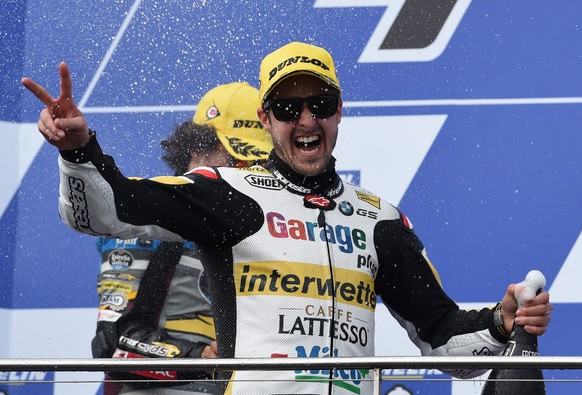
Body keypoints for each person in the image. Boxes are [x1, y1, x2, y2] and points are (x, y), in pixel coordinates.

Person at [22, 41, 552, 395]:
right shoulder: (225, 193)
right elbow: (102, 211)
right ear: (265, 119)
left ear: (339, 111)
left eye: (320, 104)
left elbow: (448, 346)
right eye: (287, 108)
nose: (306, 119)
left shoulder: (379, 219)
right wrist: (79, 149)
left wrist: (502, 321)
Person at [92, 82, 274, 395]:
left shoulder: (273, 232)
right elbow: (111, 344)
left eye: (256, 164)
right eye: (238, 159)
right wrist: (199, 358)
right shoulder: (150, 224)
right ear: (197, 151)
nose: (248, 175)